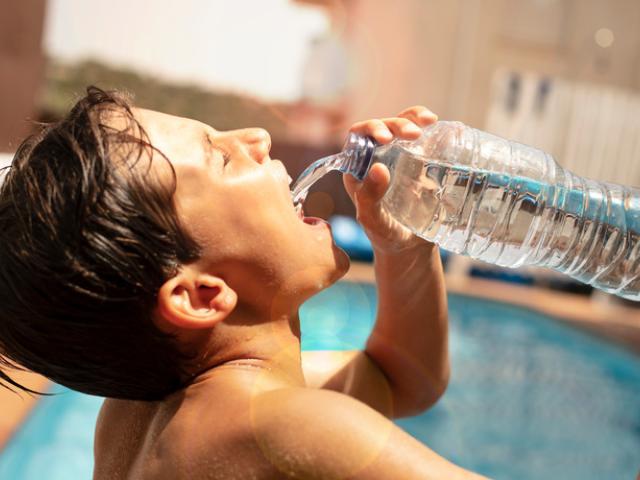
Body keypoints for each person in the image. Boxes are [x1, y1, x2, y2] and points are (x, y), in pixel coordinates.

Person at [0, 87, 485, 479]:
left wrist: (406, 248)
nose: (257, 137)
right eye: (222, 160)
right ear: (200, 295)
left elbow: (400, 379)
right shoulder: (285, 429)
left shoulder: (134, 415)